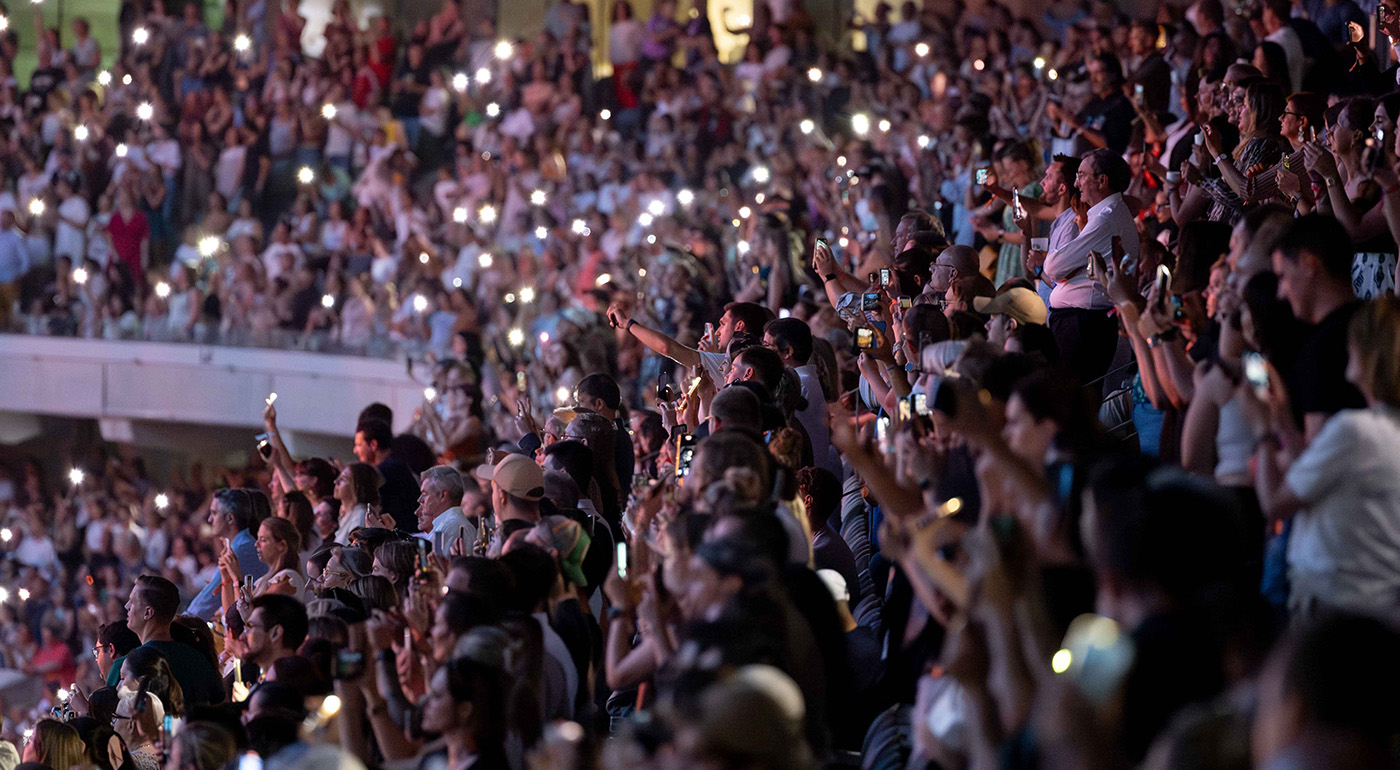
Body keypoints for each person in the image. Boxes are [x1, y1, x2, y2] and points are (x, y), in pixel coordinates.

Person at [1043, 148, 1140, 386]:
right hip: (1080, 323)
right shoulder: (1103, 214)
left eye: (1082, 176)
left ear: (1102, 180)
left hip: (1084, 325)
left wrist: (1062, 268)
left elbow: (1053, 266)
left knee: (1071, 399)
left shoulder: (1106, 217)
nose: (1077, 183)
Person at [123, 576, 226, 706]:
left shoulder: (139, 661)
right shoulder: (197, 656)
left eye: (132, 602)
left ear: (148, 613)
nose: (127, 606)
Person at [188, 489, 269, 620]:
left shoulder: (241, 550)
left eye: (214, 513)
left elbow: (207, 600)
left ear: (230, 518)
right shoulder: (240, 545)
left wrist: (184, 621)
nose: (209, 519)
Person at [354, 418, 420, 531]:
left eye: (359, 445)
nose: (355, 450)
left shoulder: (389, 469)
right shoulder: (395, 464)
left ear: (373, 445)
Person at [417, 465, 476, 556]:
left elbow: (435, 567)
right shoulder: (446, 526)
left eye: (425, 494)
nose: (420, 500)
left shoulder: (451, 527)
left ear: (442, 495)